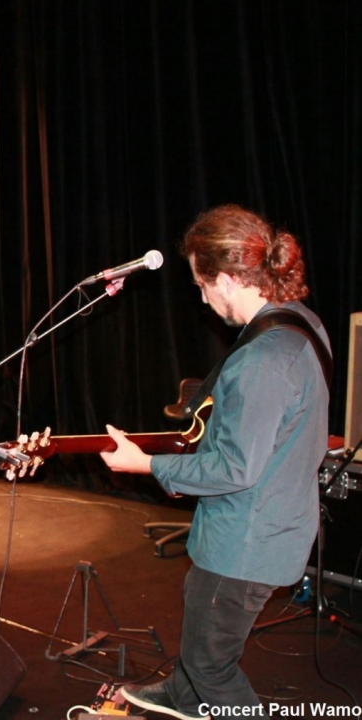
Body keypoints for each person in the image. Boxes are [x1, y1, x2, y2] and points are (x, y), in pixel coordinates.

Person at [100, 205, 330, 720]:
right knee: (203, 622)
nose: (202, 299)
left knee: (211, 664)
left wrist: (147, 465)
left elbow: (233, 469)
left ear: (227, 279)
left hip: (247, 544)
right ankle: (183, 696)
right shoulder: (303, 323)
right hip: (277, 521)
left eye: (202, 286)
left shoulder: (262, 360)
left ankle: (200, 690)